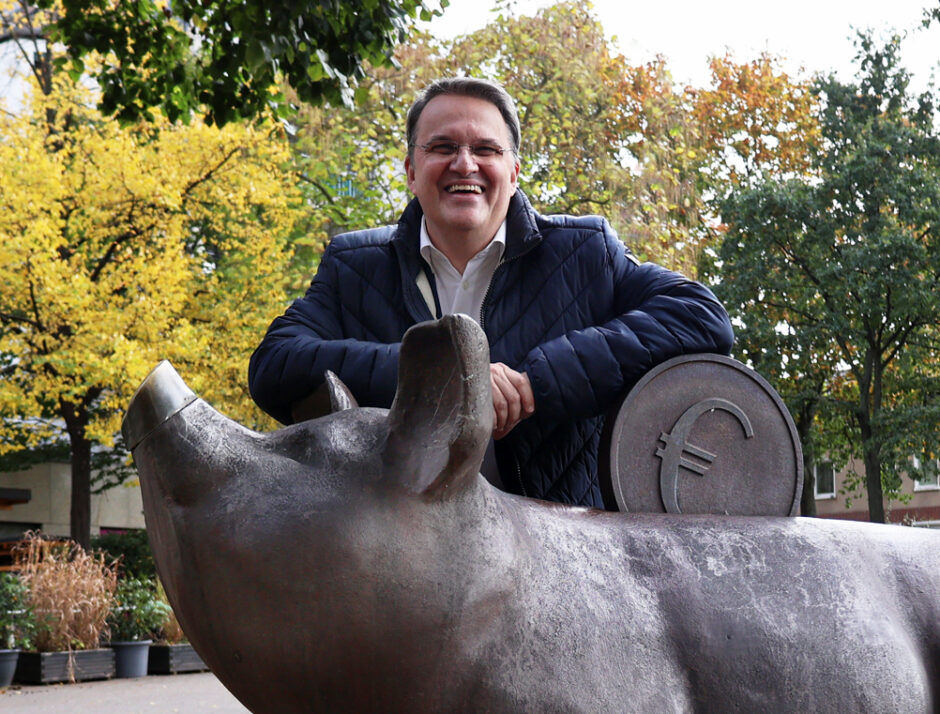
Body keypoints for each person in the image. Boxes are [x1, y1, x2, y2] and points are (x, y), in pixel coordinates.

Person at [248, 77, 734, 508]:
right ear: (411, 171)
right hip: (393, 560)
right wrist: (441, 375)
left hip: (563, 564)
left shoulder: (586, 253)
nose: (465, 164)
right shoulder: (352, 266)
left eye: (485, 149)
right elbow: (275, 364)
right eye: (442, 147)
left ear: (514, 171)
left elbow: (700, 315)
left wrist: (537, 382)